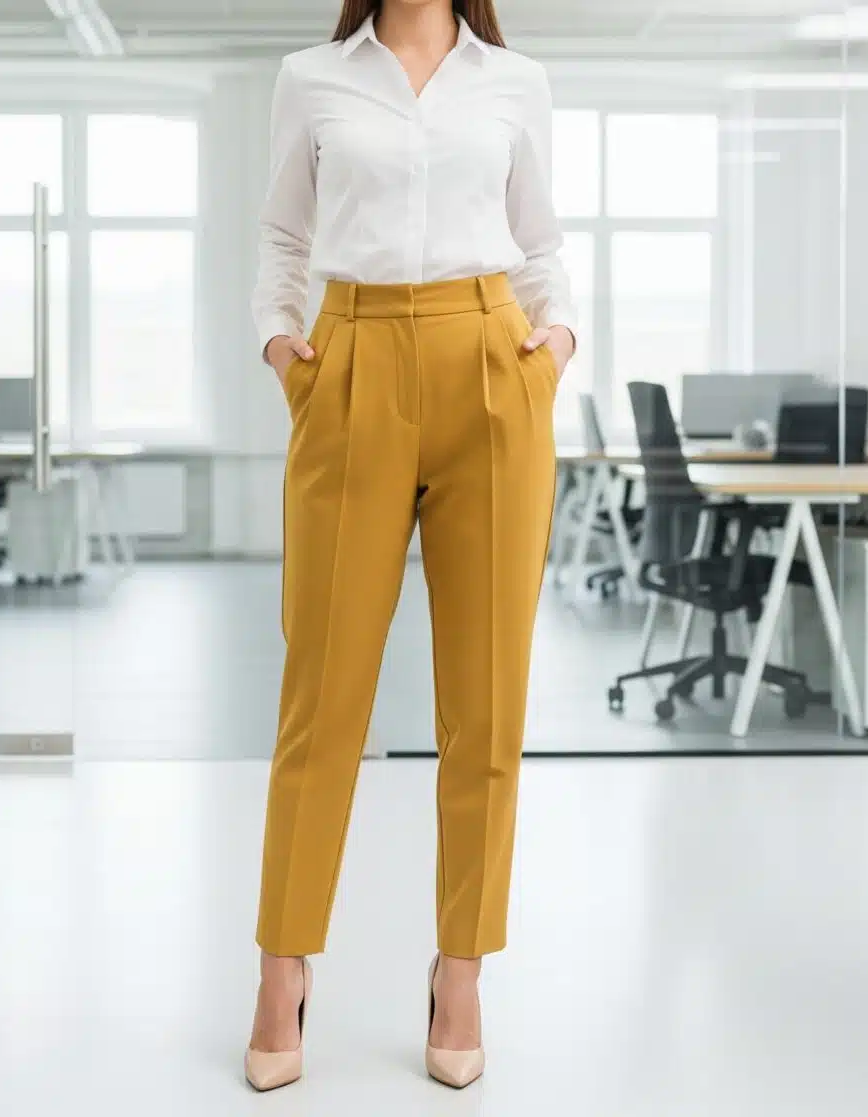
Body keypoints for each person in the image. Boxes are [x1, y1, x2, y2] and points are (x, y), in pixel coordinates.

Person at [243, 0, 576, 1093]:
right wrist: (283, 346)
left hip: (492, 362)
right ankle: (282, 966)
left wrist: (555, 345)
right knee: (322, 694)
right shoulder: (313, 76)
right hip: (352, 361)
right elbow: (283, 235)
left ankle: (461, 968)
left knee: (487, 700)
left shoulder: (514, 81)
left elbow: (541, 244)